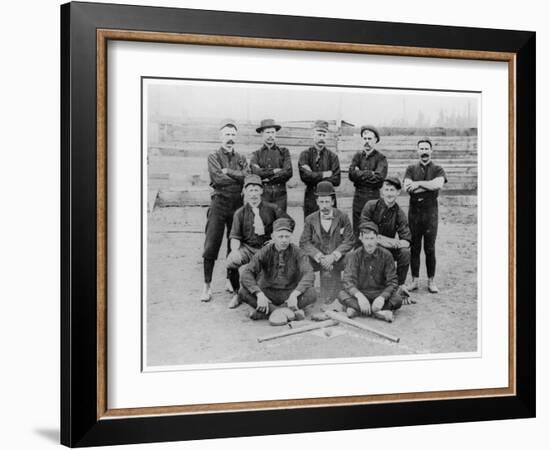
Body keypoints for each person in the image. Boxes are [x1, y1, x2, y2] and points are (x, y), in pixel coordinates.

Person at [200, 119, 248, 302]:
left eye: (233, 135)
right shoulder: (213, 156)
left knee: (233, 243)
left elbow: (247, 176)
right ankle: (207, 285)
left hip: (237, 204)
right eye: (227, 134)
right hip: (219, 203)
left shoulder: (241, 158)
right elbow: (218, 179)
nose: (230, 138)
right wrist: (236, 178)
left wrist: (230, 172)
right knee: (212, 243)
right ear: (220, 137)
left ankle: (230, 279)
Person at [238, 218, 318, 325]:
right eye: (280, 236)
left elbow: (309, 273)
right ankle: (286, 312)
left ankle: (267, 312)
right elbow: (247, 273)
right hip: (268, 293)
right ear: (273, 237)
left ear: (291, 237)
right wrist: (259, 294)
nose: (284, 240)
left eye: (287, 236)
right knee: (243, 292)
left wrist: (295, 294)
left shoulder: (298, 252)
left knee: (312, 293)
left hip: (289, 293)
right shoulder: (265, 251)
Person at [225, 174, 288, 309]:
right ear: (245, 192)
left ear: (261, 191)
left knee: (269, 275)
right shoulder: (240, 213)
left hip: (268, 248)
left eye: (256, 190)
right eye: (250, 190)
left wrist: (275, 239)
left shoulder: (272, 208)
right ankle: (237, 294)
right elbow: (235, 237)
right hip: (248, 248)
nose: (253, 194)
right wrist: (235, 251)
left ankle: (268, 297)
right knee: (231, 261)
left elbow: (289, 223)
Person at [403, 137, 448, 293]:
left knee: (429, 248)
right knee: (414, 247)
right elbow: (407, 187)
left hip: (431, 213)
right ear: (417, 151)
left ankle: (431, 281)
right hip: (414, 212)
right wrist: (429, 186)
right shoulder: (410, 169)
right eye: (421, 149)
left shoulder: (438, 169)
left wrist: (419, 184)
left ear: (431, 151)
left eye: (426, 149)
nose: (424, 152)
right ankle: (415, 280)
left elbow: (439, 184)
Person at [299, 181, 354, 303]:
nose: (324, 206)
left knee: (353, 257)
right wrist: (320, 257)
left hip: (337, 259)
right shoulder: (310, 219)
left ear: (333, 202)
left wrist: (334, 256)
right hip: (318, 259)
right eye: (321, 202)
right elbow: (304, 242)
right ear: (317, 202)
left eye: (327, 202)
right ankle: (307, 294)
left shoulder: (343, 217)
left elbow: (349, 240)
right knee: (302, 261)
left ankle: (349, 291)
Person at [360, 176, 413, 302]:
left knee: (405, 252)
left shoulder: (399, 213)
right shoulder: (371, 206)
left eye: (392, 190)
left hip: (386, 249)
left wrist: (390, 243)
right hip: (368, 246)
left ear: (398, 192)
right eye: (387, 190)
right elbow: (365, 232)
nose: (389, 194)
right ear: (382, 192)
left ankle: (399, 286)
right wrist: (388, 241)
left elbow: (406, 241)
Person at [337, 221, 402, 323]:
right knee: (341, 294)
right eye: (366, 238)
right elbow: (347, 280)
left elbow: (392, 282)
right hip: (361, 293)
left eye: (372, 238)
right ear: (361, 238)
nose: (369, 243)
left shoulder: (387, 255)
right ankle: (379, 313)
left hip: (379, 293)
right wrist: (359, 297)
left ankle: (357, 311)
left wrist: (382, 297)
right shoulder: (354, 255)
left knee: (397, 299)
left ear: (377, 239)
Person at [348, 125, 388, 238]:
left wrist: (359, 173)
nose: (367, 142)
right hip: (358, 198)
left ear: (375, 140)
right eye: (364, 138)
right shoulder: (357, 156)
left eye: (369, 139)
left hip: (373, 198)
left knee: (372, 230)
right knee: (357, 231)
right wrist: (370, 173)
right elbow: (351, 174)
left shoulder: (381, 159)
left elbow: (379, 179)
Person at [298, 120, 341, 219]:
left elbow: (336, 180)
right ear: (313, 135)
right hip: (311, 198)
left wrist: (313, 175)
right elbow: (305, 177)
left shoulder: (333, 157)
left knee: (329, 229)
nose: (321, 138)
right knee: (311, 228)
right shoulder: (305, 155)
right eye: (319, 134)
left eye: (324, 135)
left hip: (328, 199)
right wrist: (324, 175)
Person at [249, 119, 293, 211]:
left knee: (280, 222)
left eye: (273, 132)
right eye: (267, 132)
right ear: (262, 134)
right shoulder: (256, 154)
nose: (270, 135)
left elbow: (288, 171)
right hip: (263, 195)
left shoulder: (284, 152)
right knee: (265, 222)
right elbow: (255, 172)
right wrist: (274, 171)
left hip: (280, 195)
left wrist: (267, 178)